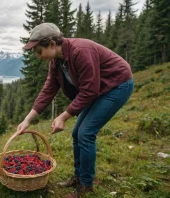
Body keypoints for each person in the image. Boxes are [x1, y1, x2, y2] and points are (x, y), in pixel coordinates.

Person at [15, 23, 134, 198]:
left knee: (85, 133)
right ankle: (78, 177)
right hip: (98, 90)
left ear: (52, 44)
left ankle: (86, 186)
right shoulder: (56, 61)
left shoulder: (81, 51)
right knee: (77, 133)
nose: (38, 56)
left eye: (39, 51)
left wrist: (63, 116)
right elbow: (48, 89)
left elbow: (89, 91)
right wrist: (28, 119)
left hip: (117, 85)